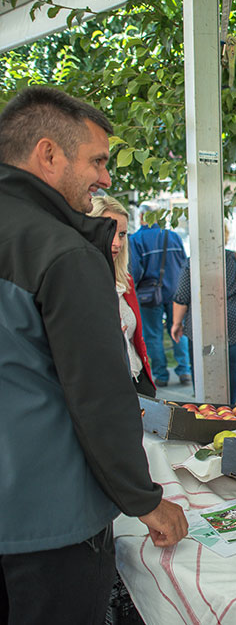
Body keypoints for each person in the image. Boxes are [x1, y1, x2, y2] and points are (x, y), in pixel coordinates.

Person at [0, 86, 187, 624]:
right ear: (48, 154)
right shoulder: (62, 252)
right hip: (48, 526)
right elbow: (100, 396)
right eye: (97, 161)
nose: (105, 178)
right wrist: (144, 499)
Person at [171, 225, 236, 405]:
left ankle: (204, 406)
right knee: (232, 367)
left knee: (202, 366)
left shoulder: (194, 263)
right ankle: (230, 406)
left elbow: (182, 296)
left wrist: (176, 323)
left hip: (202, 324)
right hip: (233, 321)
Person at [88, 195, 156, 398]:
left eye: (122, 234)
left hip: (139, 383)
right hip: (103, 391)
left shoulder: (124, 281)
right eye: (109, 233)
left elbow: (136, 340)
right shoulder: (77, 283)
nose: (117, 243)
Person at [130, 207, 191, 387]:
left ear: (141, 216)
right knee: (178, 329)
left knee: (153, 335)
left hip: (149, 296)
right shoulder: (172, 236)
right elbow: (184, 263)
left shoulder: (136, 239)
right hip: (176, 292)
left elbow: (135, 270)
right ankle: (184, 370)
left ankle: (161, 375)